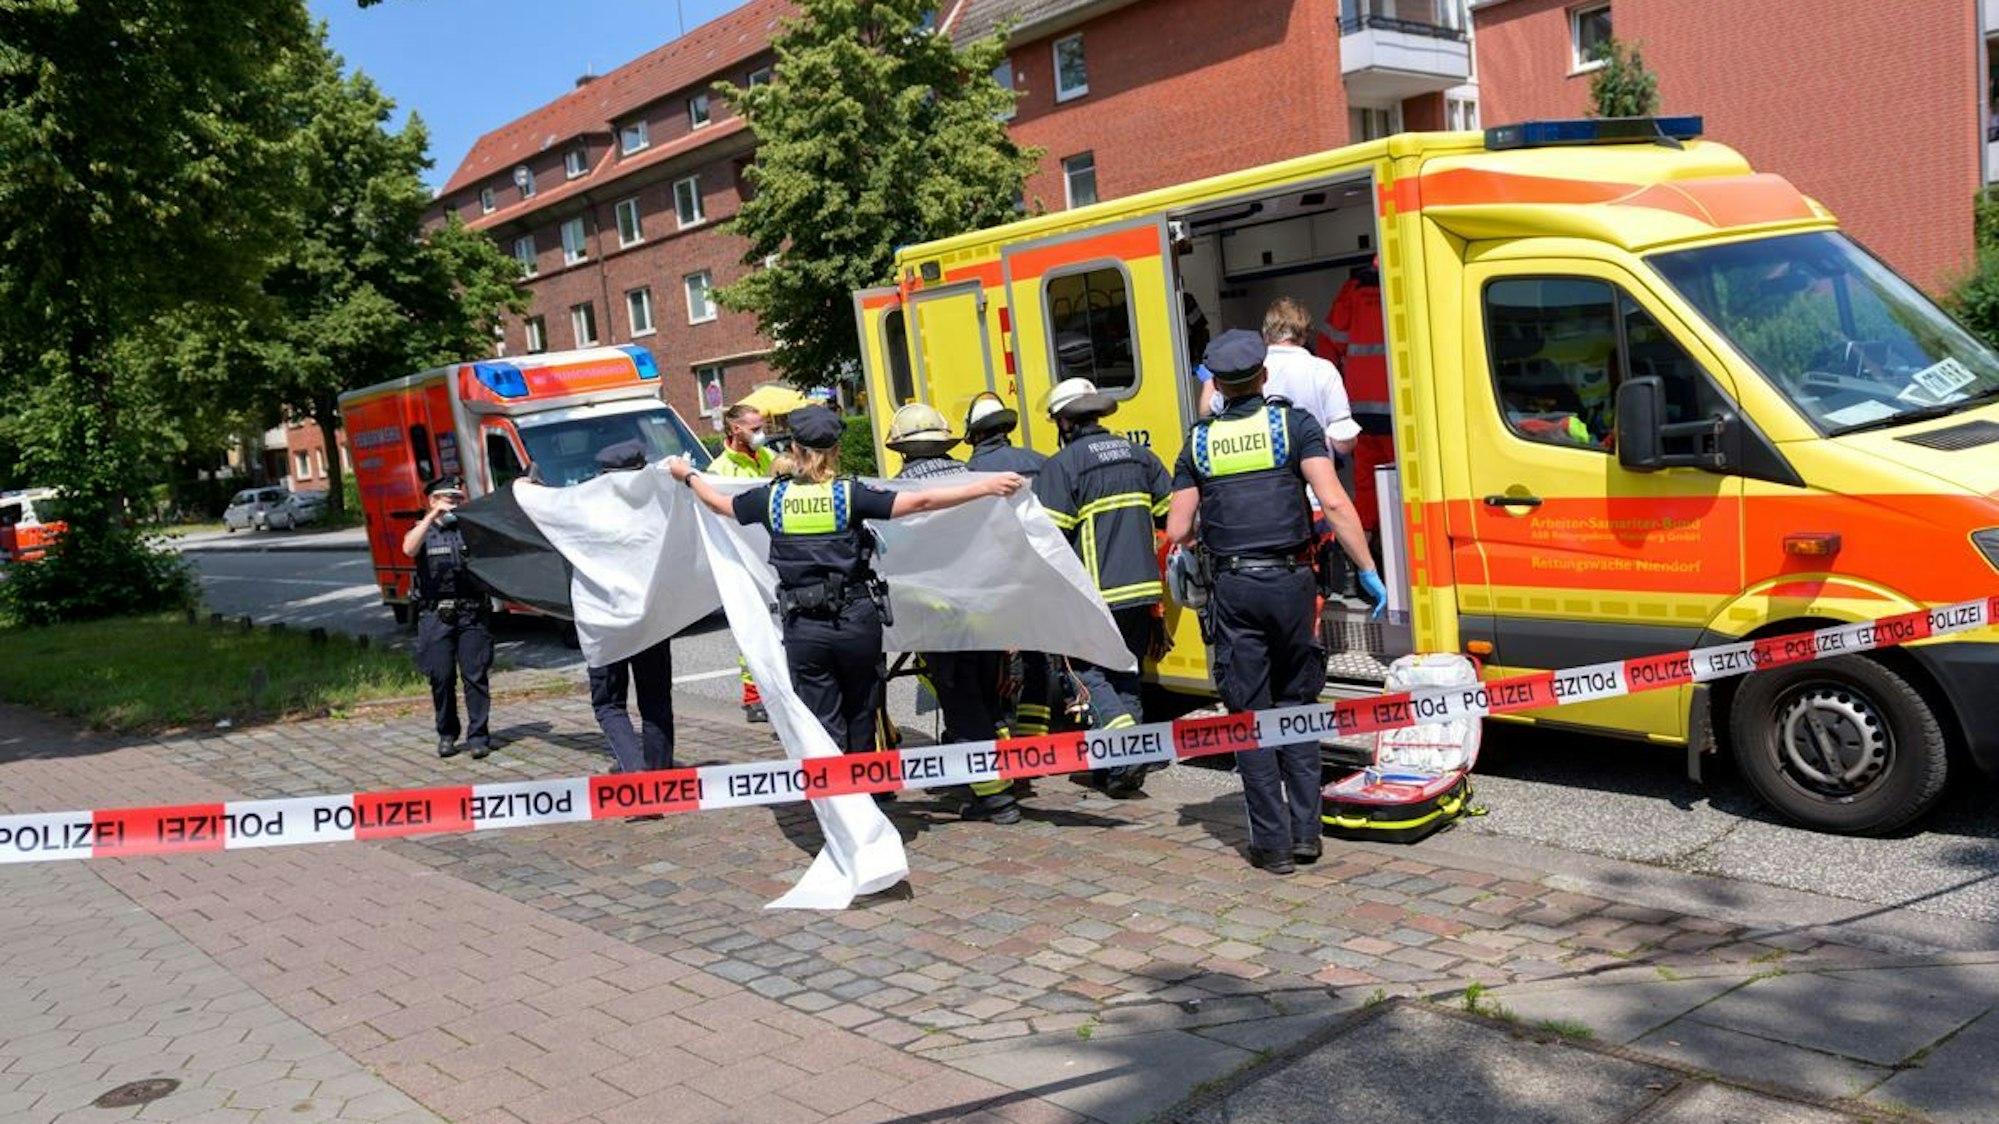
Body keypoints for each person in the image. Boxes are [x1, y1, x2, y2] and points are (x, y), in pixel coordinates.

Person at [668, 405, 1025, 760]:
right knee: (862, 716)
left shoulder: (772, 497)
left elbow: (718, 503)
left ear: (794, 448)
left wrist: (688, 474)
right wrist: (986, 486)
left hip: (804, 627)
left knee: (823, 726)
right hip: (856, 622)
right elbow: (924, 500)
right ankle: (869, 799)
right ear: (836, 450)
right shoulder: (849, 494)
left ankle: (842, 806)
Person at [1165, 331, 1386, 874]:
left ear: (1216, 386)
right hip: (1292, 585)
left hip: (1235, 590)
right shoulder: (1294, 426)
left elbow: (1177, 528)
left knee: (1250, 714)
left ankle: (1272, 846)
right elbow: (1332, 501)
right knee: (1297, 706)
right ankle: (1307, 835)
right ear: (1263, 377)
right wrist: (1368, 570)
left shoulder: (1198, 442)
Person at [1034, 377, 1172, 797]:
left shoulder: (1063, 466)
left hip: (1095, 595)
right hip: (1144, 589)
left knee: (1088, 675)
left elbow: (1049, 541)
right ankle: (1117, 772)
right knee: (1126, 673)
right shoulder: (1140, 456)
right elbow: (1170, 517)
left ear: (1064, 422)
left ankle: (1127, 753)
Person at [885, 403, 1020, 824]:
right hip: (987, 608)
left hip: (939, 619)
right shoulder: (977, 481)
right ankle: (1000, 777)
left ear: (903, 449)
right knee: (990, 695)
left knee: (962, 703)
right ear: (945, 442)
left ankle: (995, 799)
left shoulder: (897, 491)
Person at [963, 392, 1055, 739]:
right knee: (1038, 655)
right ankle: (1034, 738)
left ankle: (1000, 730)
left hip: (994, 580)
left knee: (994, 661)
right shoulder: (1042, 462)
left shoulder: (968, 473)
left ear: (974, 434)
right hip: (1037, 573)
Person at [584, 441, 676, 776]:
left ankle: (636, 772)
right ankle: (660, 772)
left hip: (605, 618)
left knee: (608, 702)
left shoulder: (588, 512)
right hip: (650, 618)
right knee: (656, 699)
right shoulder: (659, 509)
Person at [401, 476, 494, 760]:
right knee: (440, 677)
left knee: (475, 676)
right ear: (432, 500)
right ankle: (447, 733)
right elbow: (408, 549)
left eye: (458, 499)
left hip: (471, 612)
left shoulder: (470, 529)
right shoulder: (423, 530)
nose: (454, 503)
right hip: (436, 614)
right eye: (448, 498)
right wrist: (432, 516)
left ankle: (478, 736)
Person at [712, 403, 779, 724]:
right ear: (735, 430)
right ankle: (754, 696)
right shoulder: (721, 469)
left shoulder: (767, 458)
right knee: (750, 623)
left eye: (762, 426)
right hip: (741, 555)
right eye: (755, 428)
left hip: (773, 551)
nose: (761, 434)